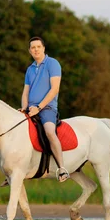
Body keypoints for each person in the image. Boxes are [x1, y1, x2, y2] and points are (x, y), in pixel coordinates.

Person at [22, 36, 69, 182]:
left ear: (43, 48)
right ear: (30, 51)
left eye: (38, 47)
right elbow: (25, 92)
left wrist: (39, 107)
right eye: (32, 47)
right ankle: (15, 170)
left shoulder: (52, 63)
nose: (35, 49)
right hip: (30, 109)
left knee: (49, 131)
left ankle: (62, 169)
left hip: (47, 108)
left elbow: (55, 89)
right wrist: (24, 108)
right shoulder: (29, 70)